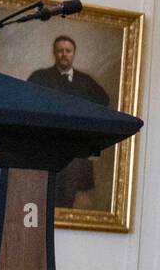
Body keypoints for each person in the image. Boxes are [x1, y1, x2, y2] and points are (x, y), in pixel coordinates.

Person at [27, 35, 109, 208]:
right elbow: (28, 102)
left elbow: (103, 101)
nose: (64, 54)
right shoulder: (40, 77)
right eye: (60, 51)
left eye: (68, 51)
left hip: (75, 149)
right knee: (43, 193)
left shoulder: (85, 81)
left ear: (73, 54)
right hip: (47, 147)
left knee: (69, 194)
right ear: (54, 53)